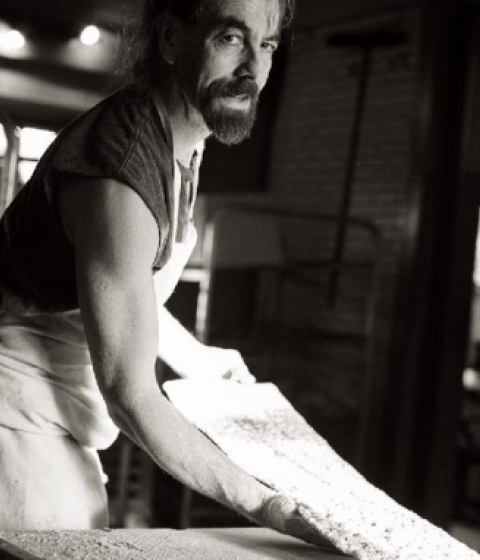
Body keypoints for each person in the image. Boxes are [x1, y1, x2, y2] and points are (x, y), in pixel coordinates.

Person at [0, 0, 317, 542]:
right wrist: (269, 504)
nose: (253, 71)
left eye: (265, 45)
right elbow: (131, 395)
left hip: (56, 413)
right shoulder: (120, 172)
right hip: (14, 415)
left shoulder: (182, 139)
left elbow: (117, 285)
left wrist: (197, 359)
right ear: (171, 40)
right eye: (230, 38)